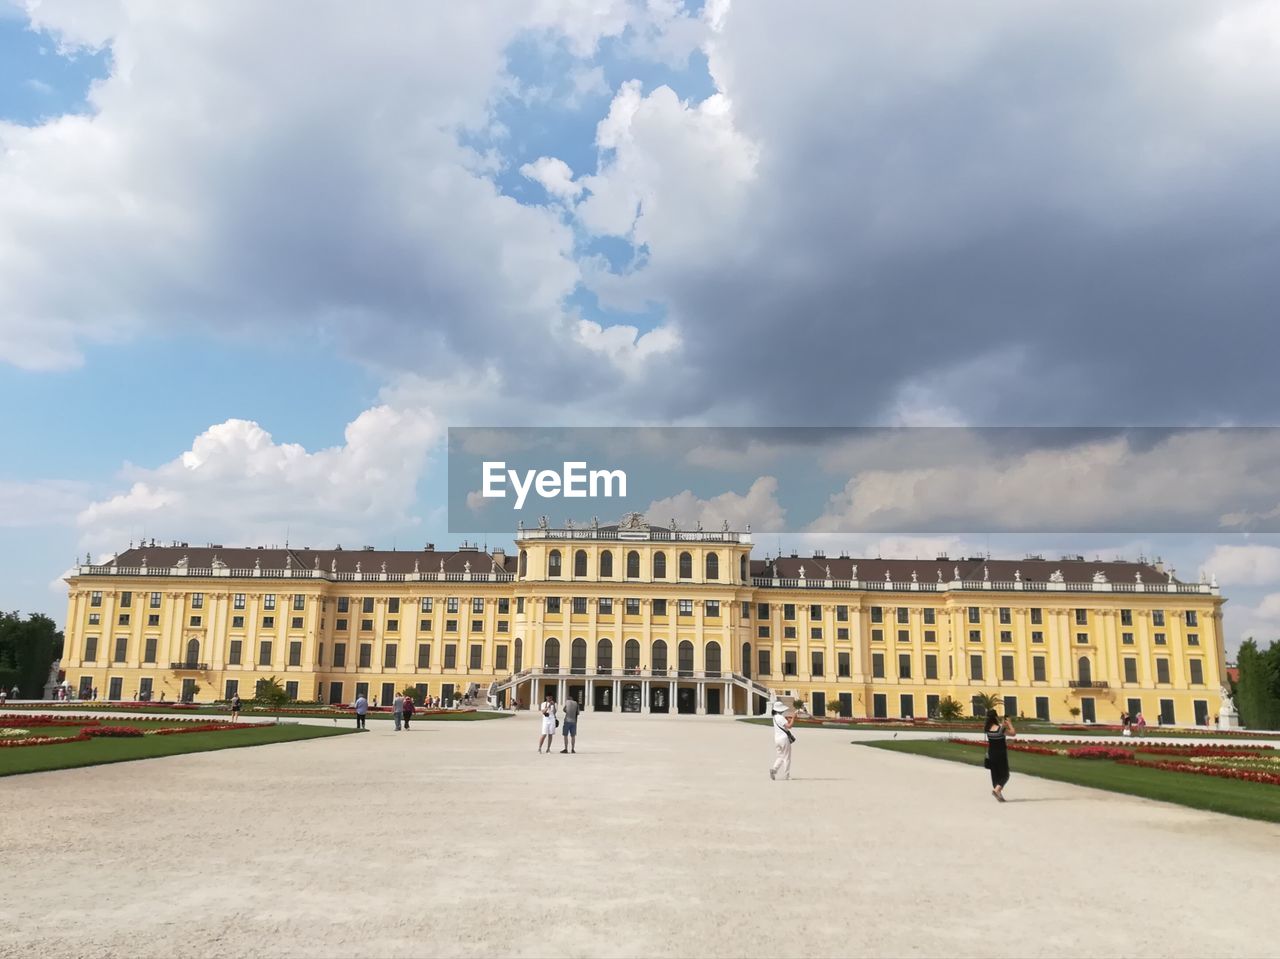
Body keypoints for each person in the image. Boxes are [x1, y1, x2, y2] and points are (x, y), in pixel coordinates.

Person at [985, 709, 1017, 802]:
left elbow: (998, 731)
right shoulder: (1000, 728)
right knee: (1005, 774)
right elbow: (1013, 733)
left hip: (991, 753)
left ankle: (999, 794)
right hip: (1001, 754)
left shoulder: (987, 729)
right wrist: (1009, 723)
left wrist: (1003, 725)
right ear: (996, 717)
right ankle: (996, 790)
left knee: (995, 775)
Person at [770, 701, 795, 780]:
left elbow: (784, 724)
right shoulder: (781, 717)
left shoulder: (774, 717)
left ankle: (774, 769)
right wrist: (793, 718)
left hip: (777, 739)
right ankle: (787, 775)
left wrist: (787, 719)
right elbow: (789, 726)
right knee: (787, 758)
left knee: (780, 756)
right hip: (784, 739)